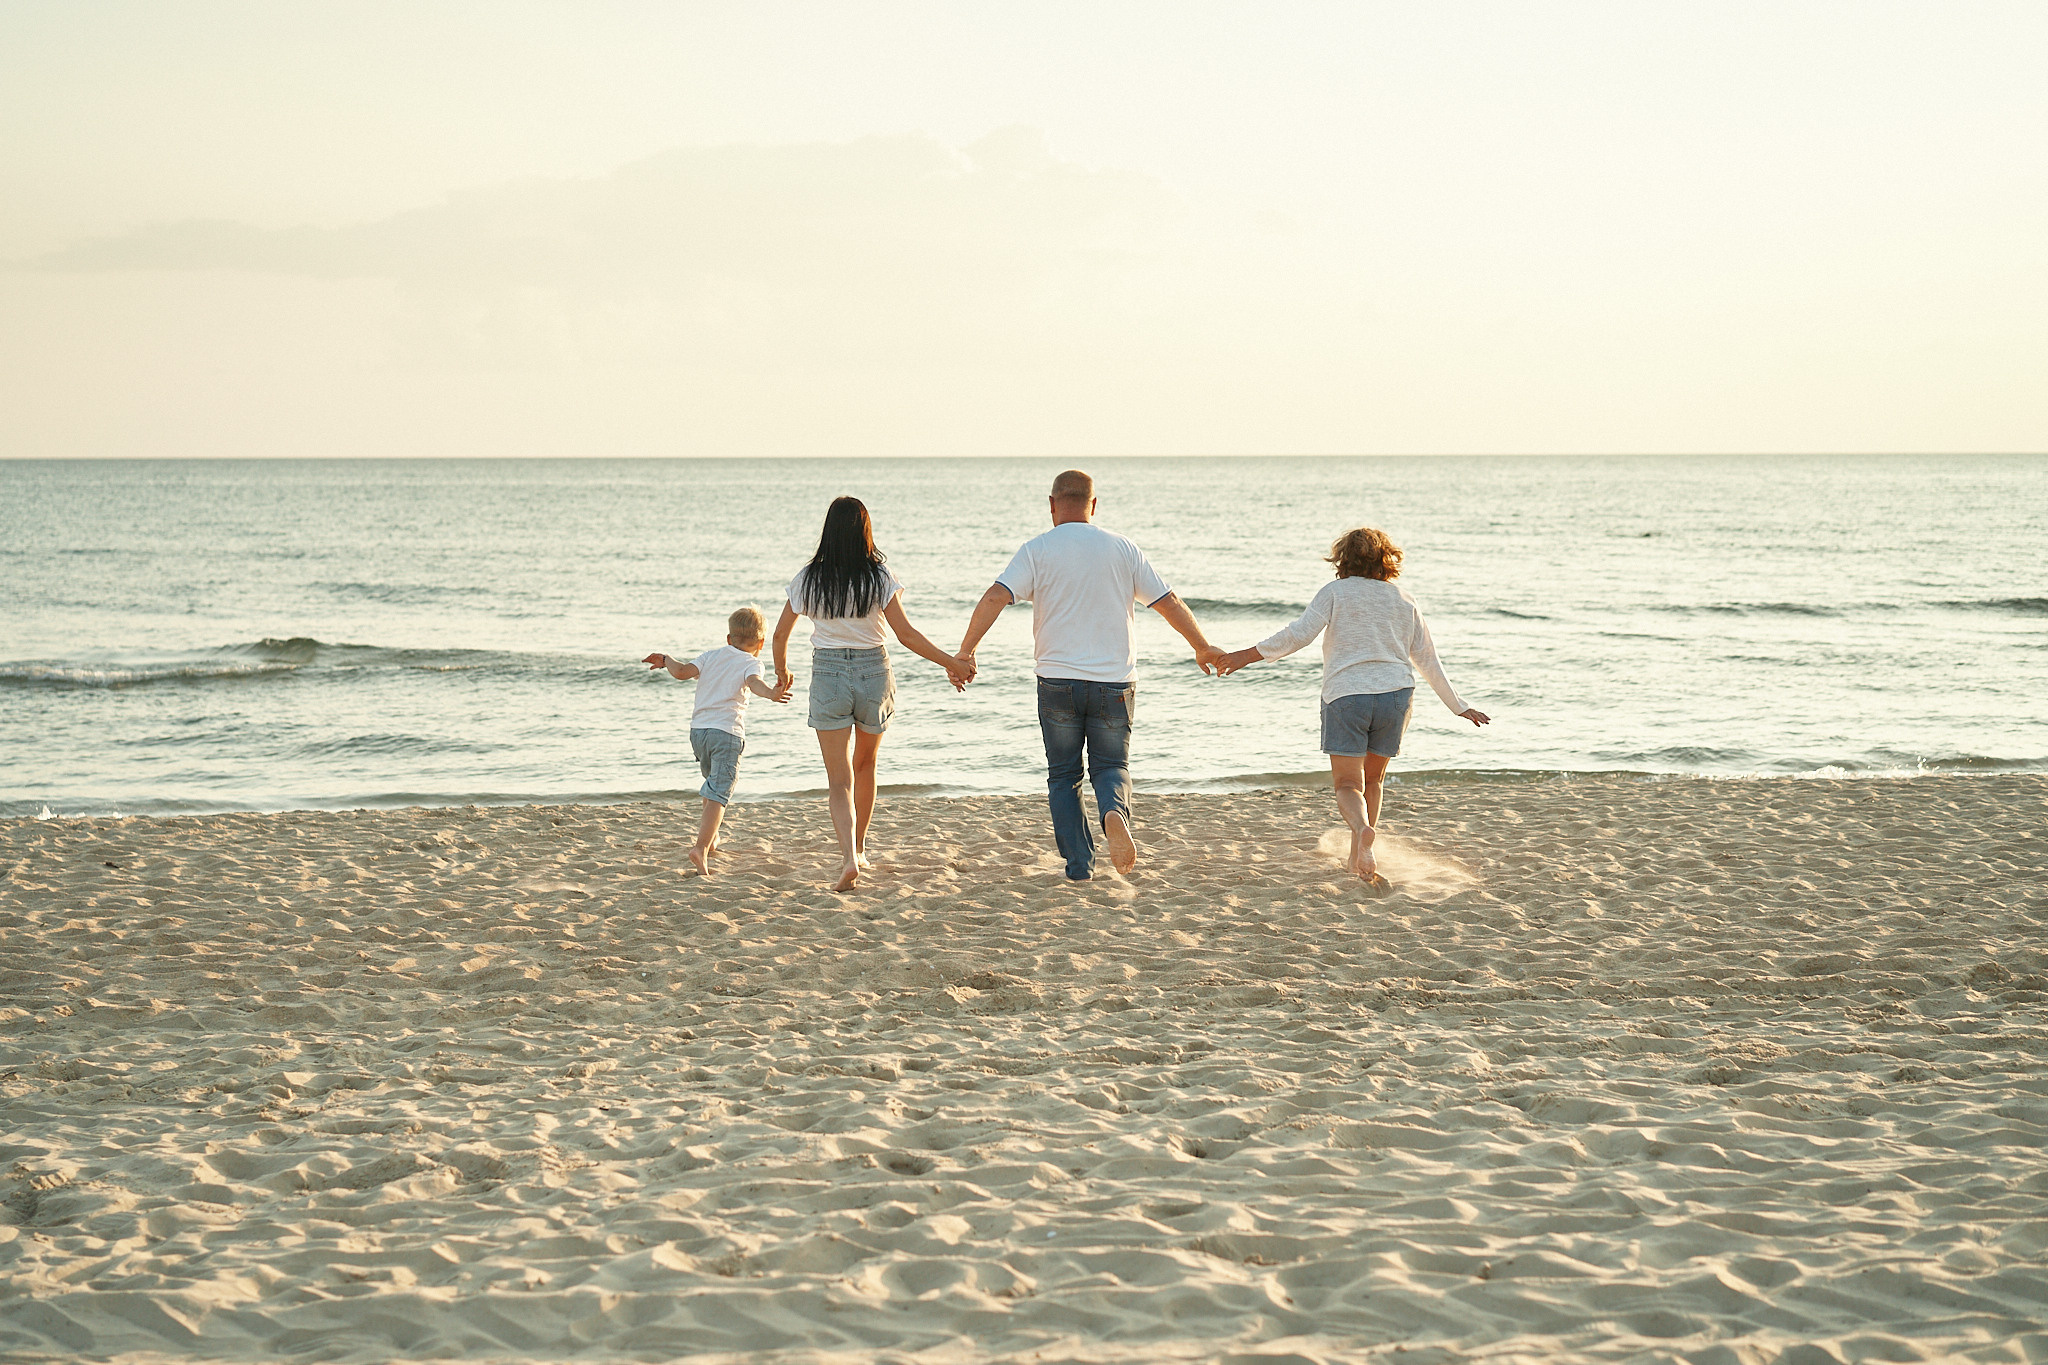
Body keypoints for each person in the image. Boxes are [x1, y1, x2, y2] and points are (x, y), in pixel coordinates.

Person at [955, 469, 1224, 881]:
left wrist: (966, 651)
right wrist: (1201, 646)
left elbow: (995, 597)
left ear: (1052, 504)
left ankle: (1080, 866)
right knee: (1111, 765)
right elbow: (1168, 602)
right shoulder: (1123, 548)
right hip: (1114, 681)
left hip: (1057, 681)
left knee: (1064, 775)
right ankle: (1114, 812)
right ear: (1093, 504)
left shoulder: (1036, 550)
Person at [1215, 526, 1489, 884]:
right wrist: (1458, 705)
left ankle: (1361, 831)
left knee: (1347, 784)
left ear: (1342, 559)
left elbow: (1297, 635)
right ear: (1386, 560)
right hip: (1396, 696)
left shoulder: (1335, 592)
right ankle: (1358, 854)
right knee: (1373, 780)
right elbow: (1426, 658)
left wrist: (1244, 656)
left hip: (1347, 695)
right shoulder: (1404, 599)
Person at [771, 497, 973, 892]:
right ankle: (861, 848)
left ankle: (848, 857)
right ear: (865, 530)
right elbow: (906, 634)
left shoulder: (808, 578)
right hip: (873, 673)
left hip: (828, 674)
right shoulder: (878, 576)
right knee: (865, 766)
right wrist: (950, 661)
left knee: (839, 780)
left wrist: (782, 672)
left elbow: (780, 635)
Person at [642, 605, 790, 876]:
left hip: (698, 733)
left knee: (712, 785)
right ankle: (700, 848)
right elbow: (754, 683)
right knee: (719, 792)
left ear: (729, 638)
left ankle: (712, 839)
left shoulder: (710, 656)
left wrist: (665, 659)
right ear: (760, 643)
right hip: (726, 734)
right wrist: (772, 693)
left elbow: (682, 672)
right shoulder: (752, 663)